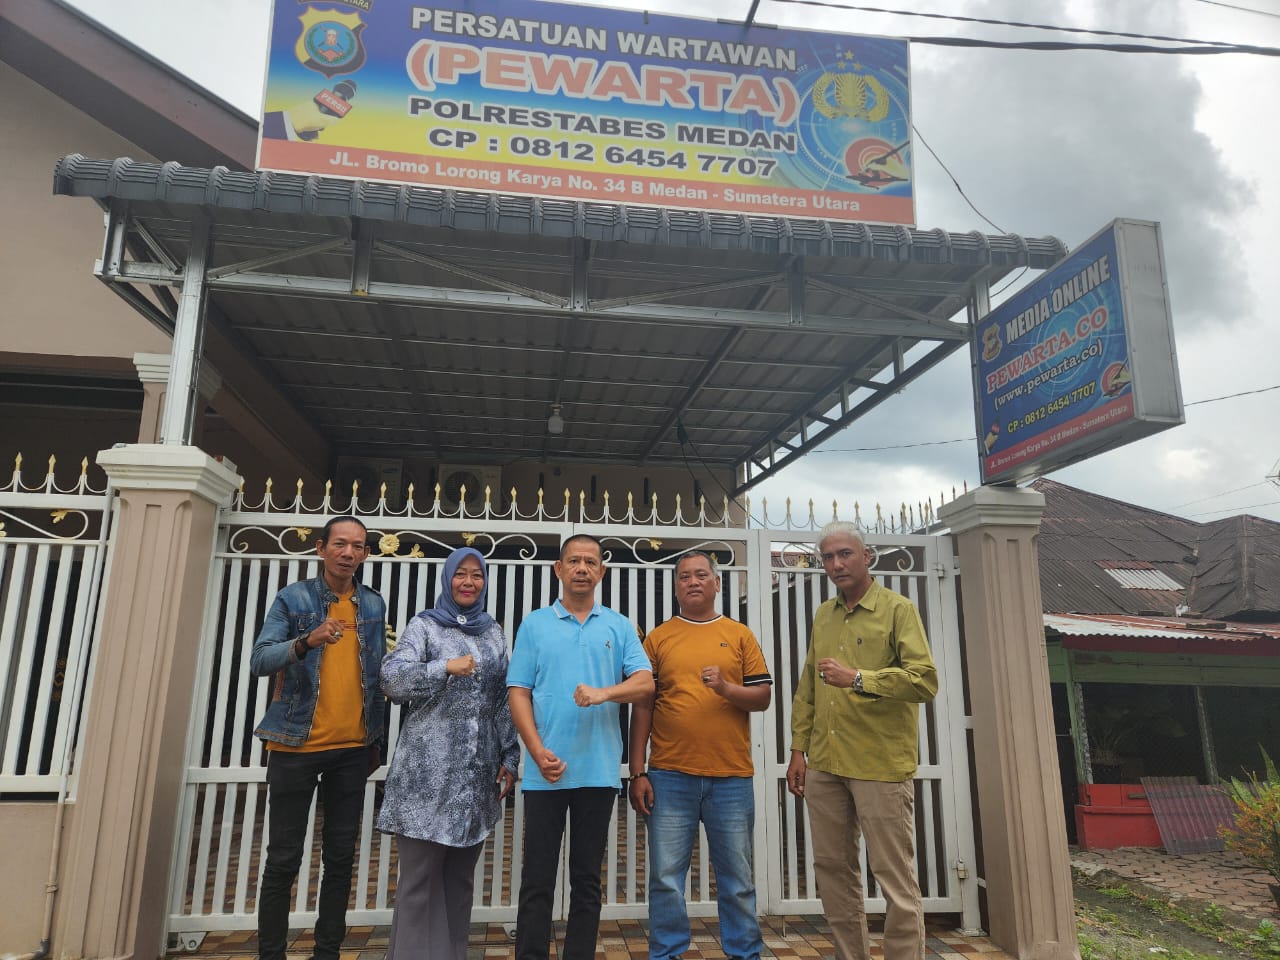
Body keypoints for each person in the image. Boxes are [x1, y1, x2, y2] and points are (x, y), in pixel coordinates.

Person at [786, 521, 938, 960]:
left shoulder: (897, 610)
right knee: (833, 870)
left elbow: (924, 681)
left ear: (867, 556)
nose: (836, 564)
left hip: (879, 764)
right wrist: (798, 749)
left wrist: (858, 679)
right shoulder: (825, 614)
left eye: (845, 554)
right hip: (826, 762)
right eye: (828, 557)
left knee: (894, 875)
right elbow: (809, 686)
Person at [507, 534, 654, 960]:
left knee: (587, 880)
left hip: (597, 771)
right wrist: (535, 750)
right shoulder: (535, 624)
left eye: (591, 562)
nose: (582, 569)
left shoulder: (619, 626)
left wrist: (604, 693)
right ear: (559, 569)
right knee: (537, 878)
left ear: (602, 572)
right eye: (574, 561)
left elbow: (645, 683)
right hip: (546, 770)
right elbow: (518, 691)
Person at [249, 515, 386, 960]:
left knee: (341, 858)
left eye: (358, 546)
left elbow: (375, 675)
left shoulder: (373, 603)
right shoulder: (294, 598)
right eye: (340, 544)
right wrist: (307, 641)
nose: (349, 553)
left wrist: (375, 740)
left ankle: (327, 952)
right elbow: (260, 660)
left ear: (366, 553)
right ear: (321, 548)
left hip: (352, 749)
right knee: (283, 858)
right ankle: (271, 954)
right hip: (295, 745)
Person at [377, 546, 520, 960]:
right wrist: (444, 668)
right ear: (448, 578)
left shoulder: (493, 633)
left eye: (477, 575)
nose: (469, 582)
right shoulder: (424, 626)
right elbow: (392, 681)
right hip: (426, 777)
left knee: (459, 881)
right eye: (461, 574)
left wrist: (510, 757)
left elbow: (502, 700)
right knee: (419, 881)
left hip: (475, 776)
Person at [628, 552, 772, 960]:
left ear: (717, 584)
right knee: (666, 879)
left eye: (701, 575)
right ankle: (667, 953)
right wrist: (638, 771)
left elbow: (762, 696)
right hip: (670, 775)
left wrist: (726, 688)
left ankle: (745, 953)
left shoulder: (739, 635)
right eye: (685, 577)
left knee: (737, 879)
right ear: (676, 587)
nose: (693, 582)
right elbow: (643, 706)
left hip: (731, 777)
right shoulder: (659, 638)